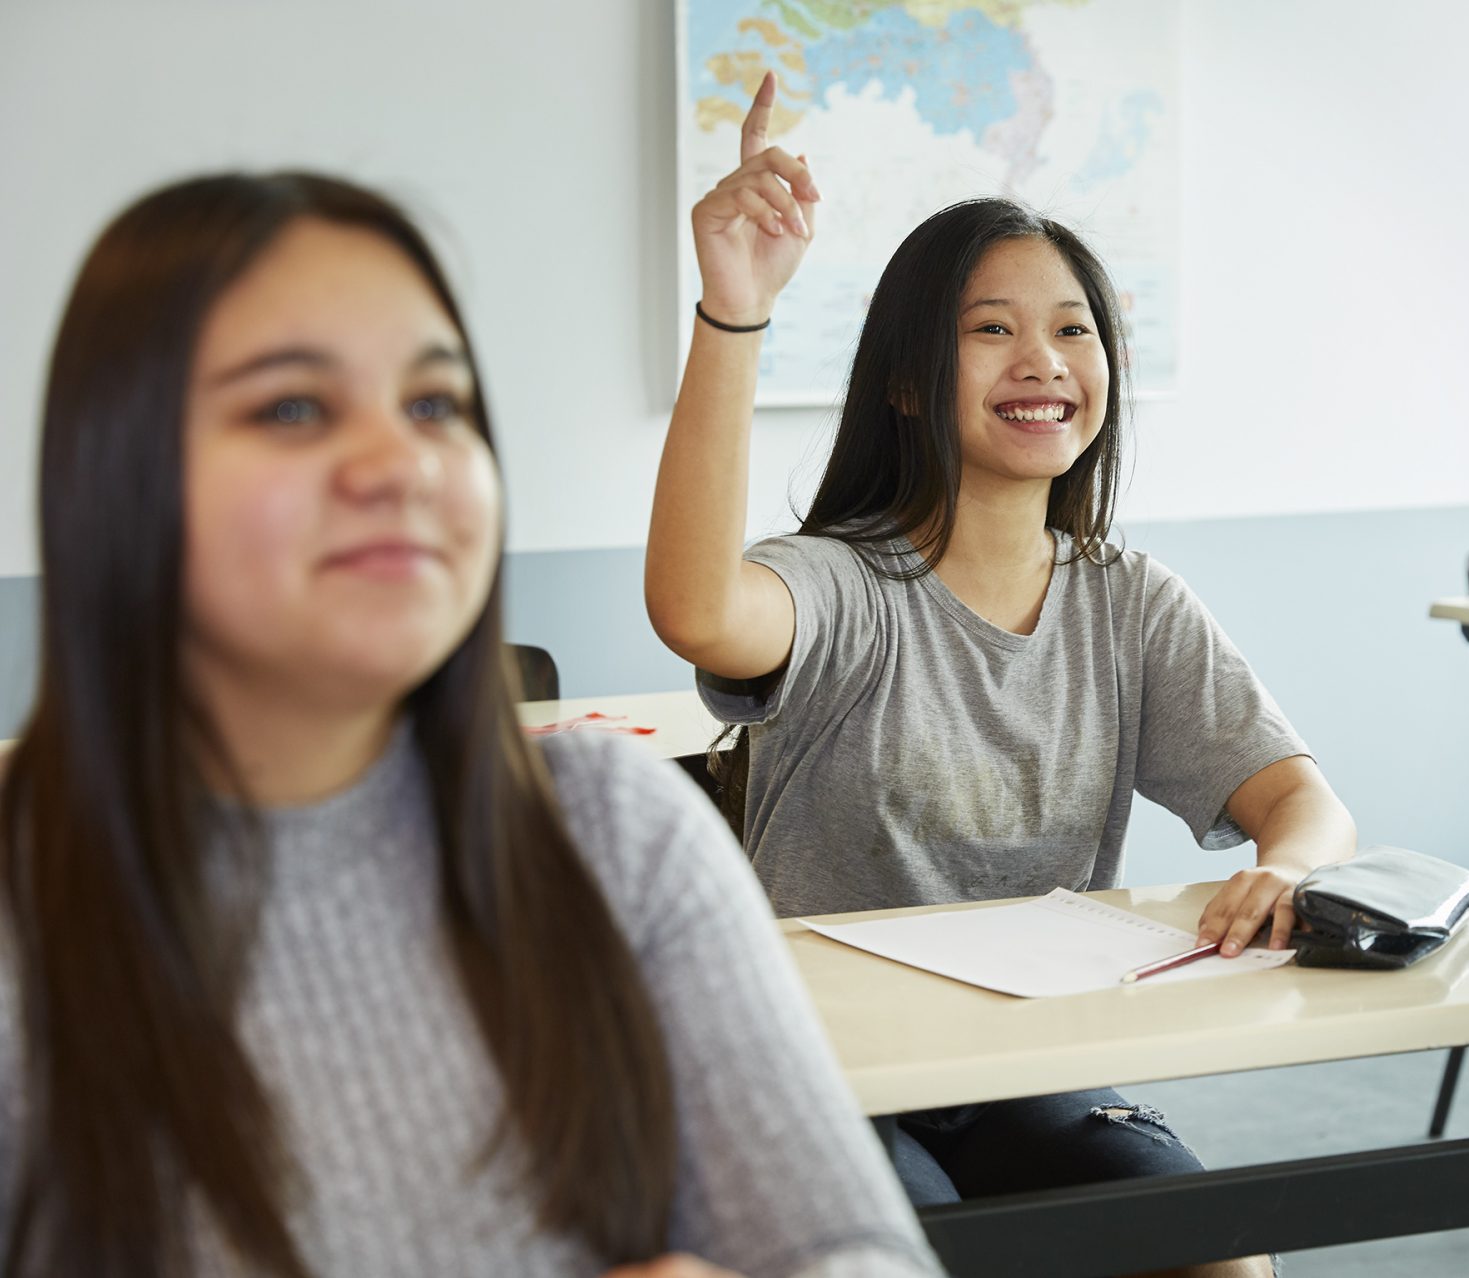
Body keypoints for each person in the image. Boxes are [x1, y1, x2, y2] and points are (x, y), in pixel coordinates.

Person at [0, 171, 943, 1278]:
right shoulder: (32, 898)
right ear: (120, 477)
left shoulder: (615, 836)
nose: (400, 464)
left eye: (434, 406)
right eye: (292, 407)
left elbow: (856, 1250)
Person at [646, 75, 1356, 1278]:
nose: (1043, 359)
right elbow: (697, 610)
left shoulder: (1127, 598)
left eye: (1073, 328)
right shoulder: (838, 584)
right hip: (824, 1071)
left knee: (1227, 1264)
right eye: (990, 328)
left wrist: (1284, 866)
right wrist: (733, 312)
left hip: (1032, 1069)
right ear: (911, 380)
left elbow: (1304, 804)